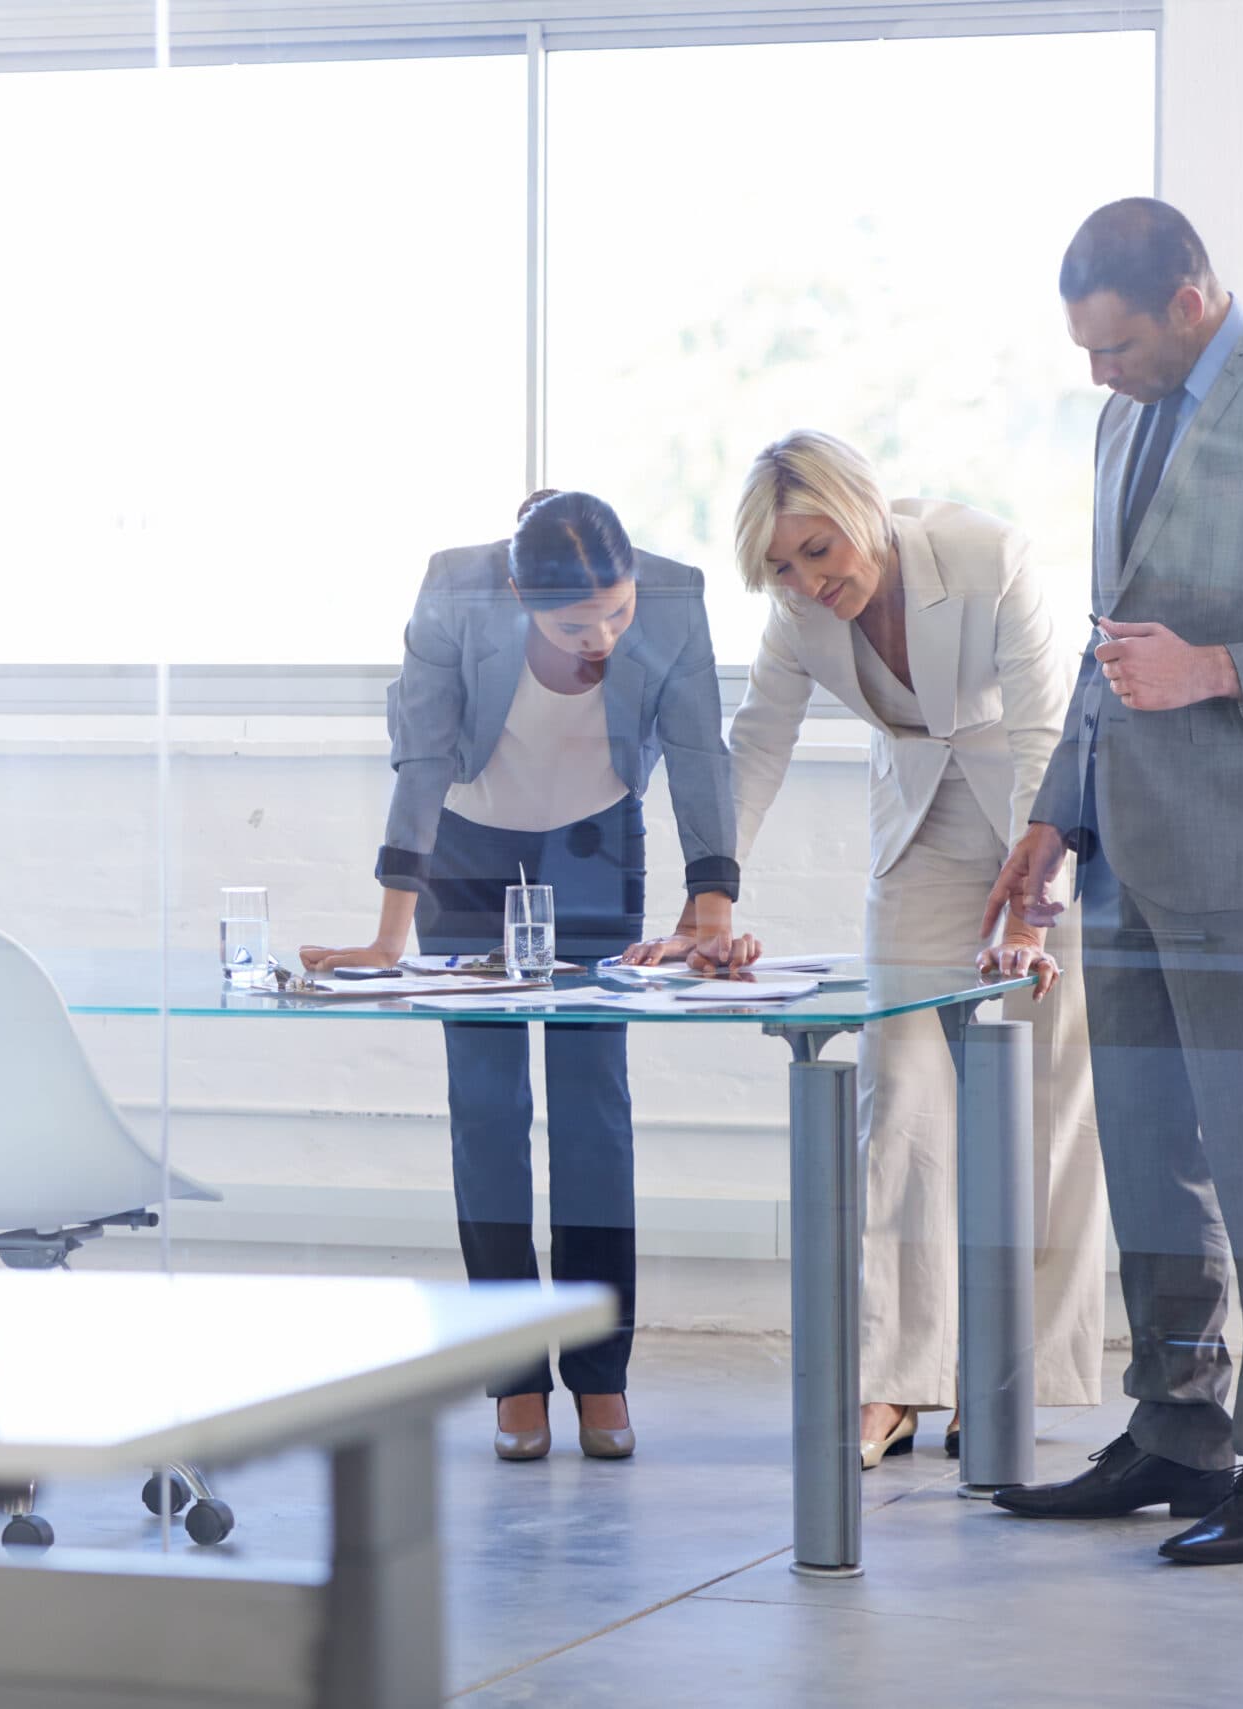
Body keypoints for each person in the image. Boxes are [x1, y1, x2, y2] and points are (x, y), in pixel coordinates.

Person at [982, 198, 1243, 1565]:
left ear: (1189, 299)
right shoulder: (1120, 421)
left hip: (1234, 851)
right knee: (1154, 1167)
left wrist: (1221, 669)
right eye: (1084, 354)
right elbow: (1116, 651)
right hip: (1118, 851)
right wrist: (1054, 819)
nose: (1096, 377)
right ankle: (1178, 1430)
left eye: (1114, 348)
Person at [632, 430, 1106, 1469]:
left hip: (1043, 820)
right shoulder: (798, 613)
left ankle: (1010, 1379)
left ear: (863, 511)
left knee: (1046, 1101)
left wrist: (1030, 907)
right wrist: (706, 903)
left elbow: (1039, 731)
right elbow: (757, 738)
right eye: (783, 565)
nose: (807, 580)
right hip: (923, 831)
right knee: (898, 1094)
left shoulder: (987, 557)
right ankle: (892, 1380)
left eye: (818, 550)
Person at [301, 490, 746, 1463]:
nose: (601, 637)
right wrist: (387, 933)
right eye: (573, 621)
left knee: (592, 1107)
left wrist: (711, 898)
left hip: (593, 845)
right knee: (488, 1108)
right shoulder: (453, 593)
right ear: (516, 592)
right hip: (466, 850)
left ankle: (599, 1374)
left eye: (616, 613)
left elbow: (699, 749)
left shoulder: (674, 598)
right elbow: (419, 759)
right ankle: (512, 1376)